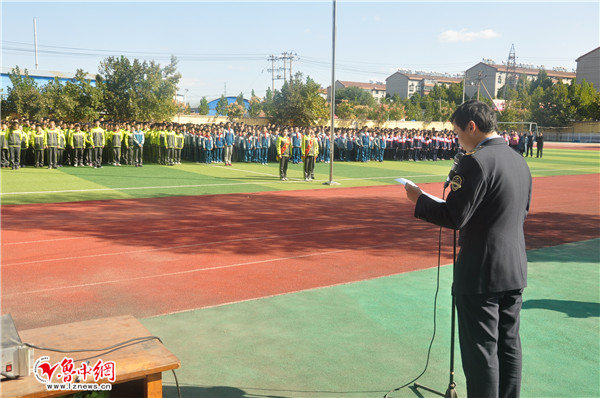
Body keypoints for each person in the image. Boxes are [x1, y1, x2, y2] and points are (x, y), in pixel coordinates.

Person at [404, 100, 532, 398]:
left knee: (481, 353)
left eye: (458, 132)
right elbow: (522, 211)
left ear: (471, 126)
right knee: (508, 345)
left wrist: (419, 200)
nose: (457, 138)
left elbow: (455, 216)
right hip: (514, 267)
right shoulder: (518, 160)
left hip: (481, 271)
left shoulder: (475, 161)